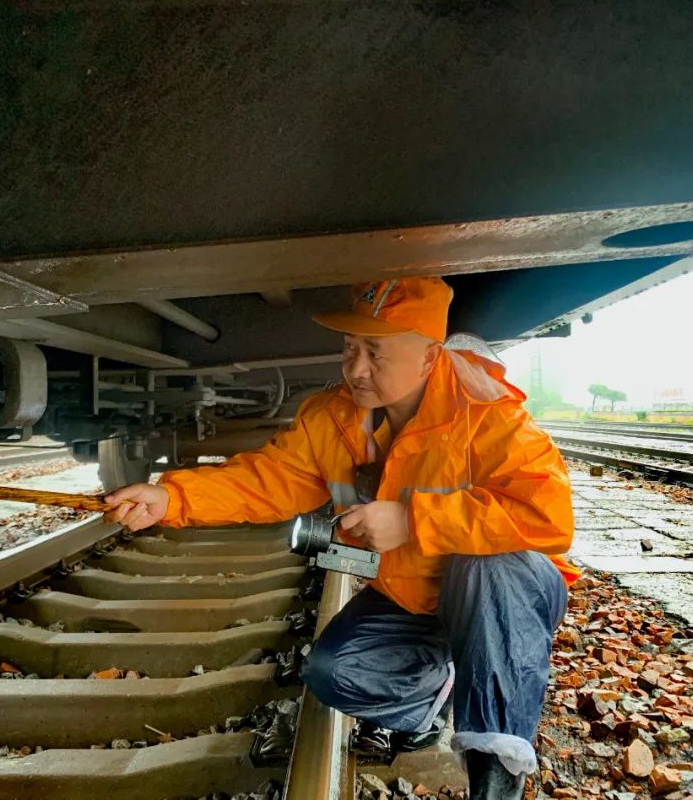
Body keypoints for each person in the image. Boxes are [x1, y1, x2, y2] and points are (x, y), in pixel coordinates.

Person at [104, 276, 578, 800]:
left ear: (428, 358)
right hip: (414, 601)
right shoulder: (331, 419)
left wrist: (413, 519)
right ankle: (439, 690)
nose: (354, 369)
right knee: (334, 673)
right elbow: (269, 478)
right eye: (350, 349)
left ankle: (496, 781)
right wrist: (172, 499)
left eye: (375, 354)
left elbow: (548, 514)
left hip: (501, 597)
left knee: (490, 566)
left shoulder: (489, 417)